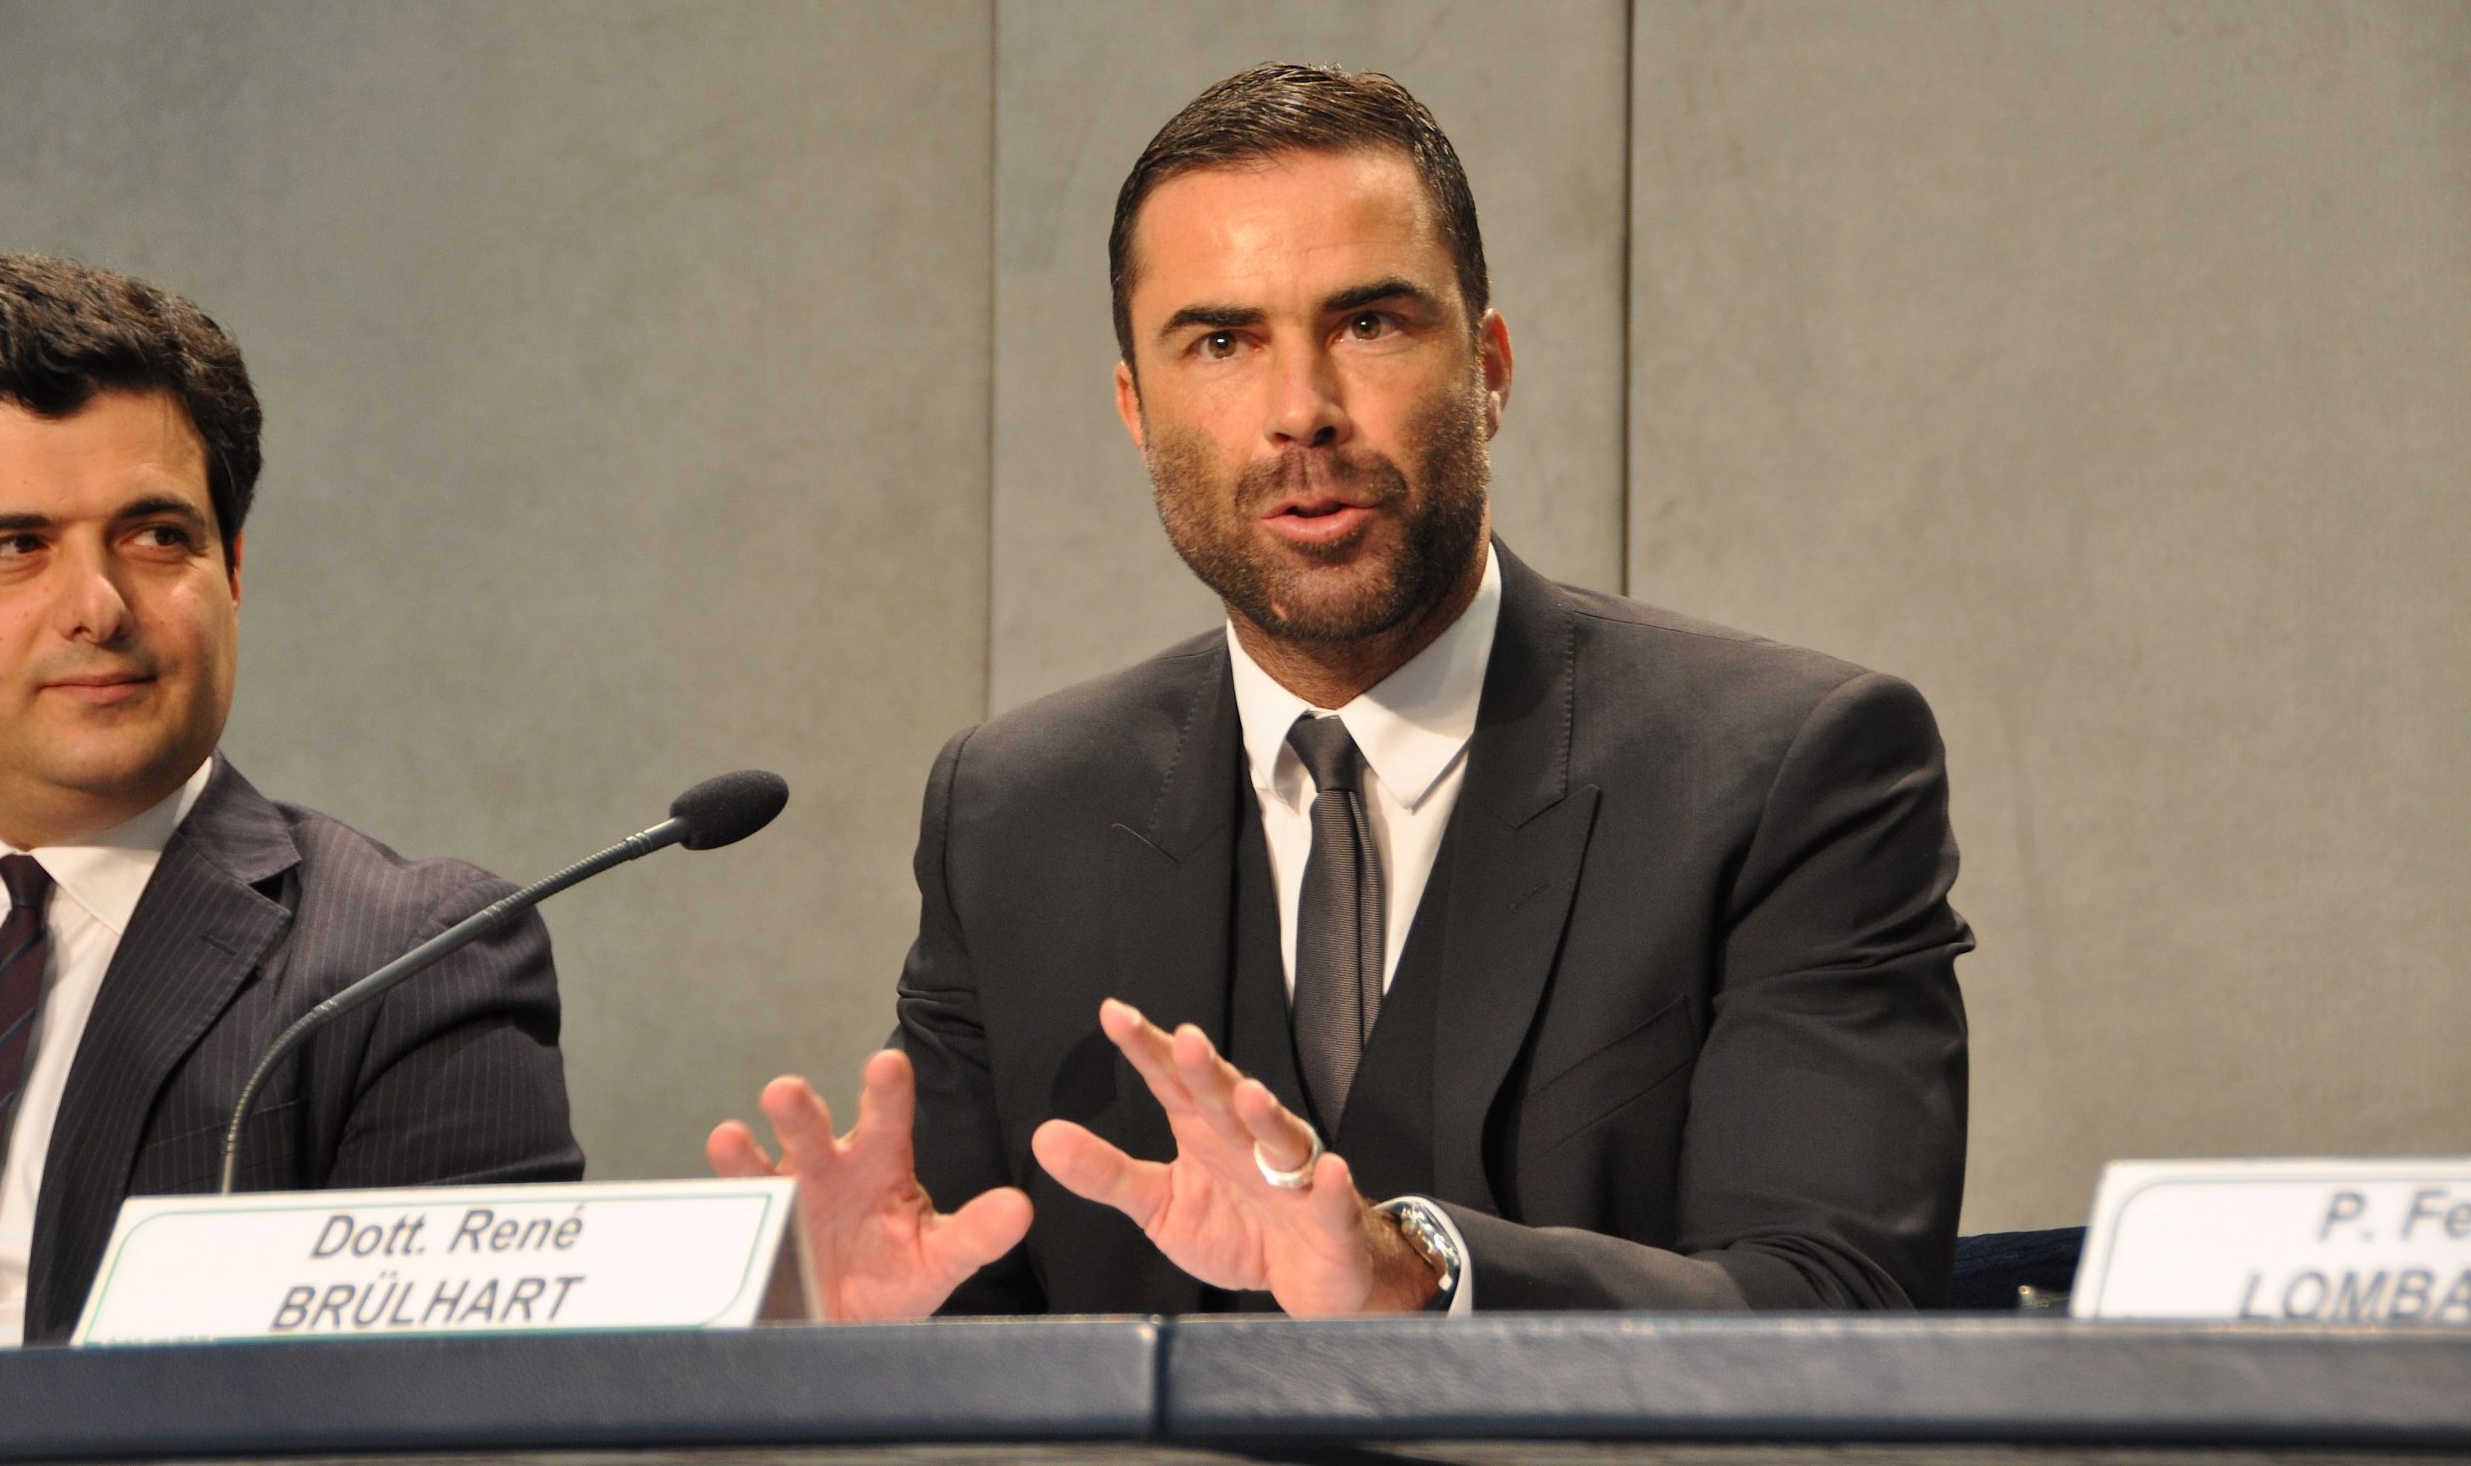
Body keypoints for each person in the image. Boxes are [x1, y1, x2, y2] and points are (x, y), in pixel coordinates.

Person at [712, 65, 1972, 1318]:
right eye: (1221, 341)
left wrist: (1420, 1274)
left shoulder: (1785, 767)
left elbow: (1832, 1301)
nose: (1300, 412)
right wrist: (855, 1349)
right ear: (1135, 410)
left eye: (1369, 323)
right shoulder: (1011, 812)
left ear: (1488, 367)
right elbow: (979, 1321)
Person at [0, 255, 579, 1347]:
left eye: (156, 535)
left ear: (231, 571)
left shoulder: (411, 963)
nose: (97, 605)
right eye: (17, 546)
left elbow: (448, 1420)